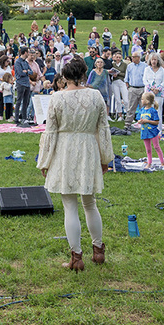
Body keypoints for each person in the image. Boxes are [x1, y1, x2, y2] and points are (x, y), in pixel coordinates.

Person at [37, 57, 114, 271]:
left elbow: (50, 132)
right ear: (83, 74)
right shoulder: (96, 96)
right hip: (88, 147)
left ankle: (76, 257)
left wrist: (44, 160)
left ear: (65, 76)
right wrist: (105, 157)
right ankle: (98, 251)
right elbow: (103, 129)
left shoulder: (57, 98)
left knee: (70, 205)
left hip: (65, 149)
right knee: (90, 203)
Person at [137, 91, 164, 169]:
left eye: (143, 99)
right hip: (145, 132)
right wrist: (140, 121)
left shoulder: (153, 111)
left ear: (148, 101)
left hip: (153, 133)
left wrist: (147, 121)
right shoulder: (142, 110)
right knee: (148, 149)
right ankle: (149, 163)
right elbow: (138, 119)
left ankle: (162, 162)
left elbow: (156, 122)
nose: (141, 100)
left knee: (156, 147)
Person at [124, 52, 147, 126]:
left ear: (138, 57)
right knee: (131, 107)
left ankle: (143, 122)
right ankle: (128, 123)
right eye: (132, 57)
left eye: (134, 57)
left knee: (143, 106)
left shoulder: (145, 66)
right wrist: (128, 87)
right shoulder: (129, 66)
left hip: (142, 88)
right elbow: (126, 78)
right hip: (133, 88)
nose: (132, 58)